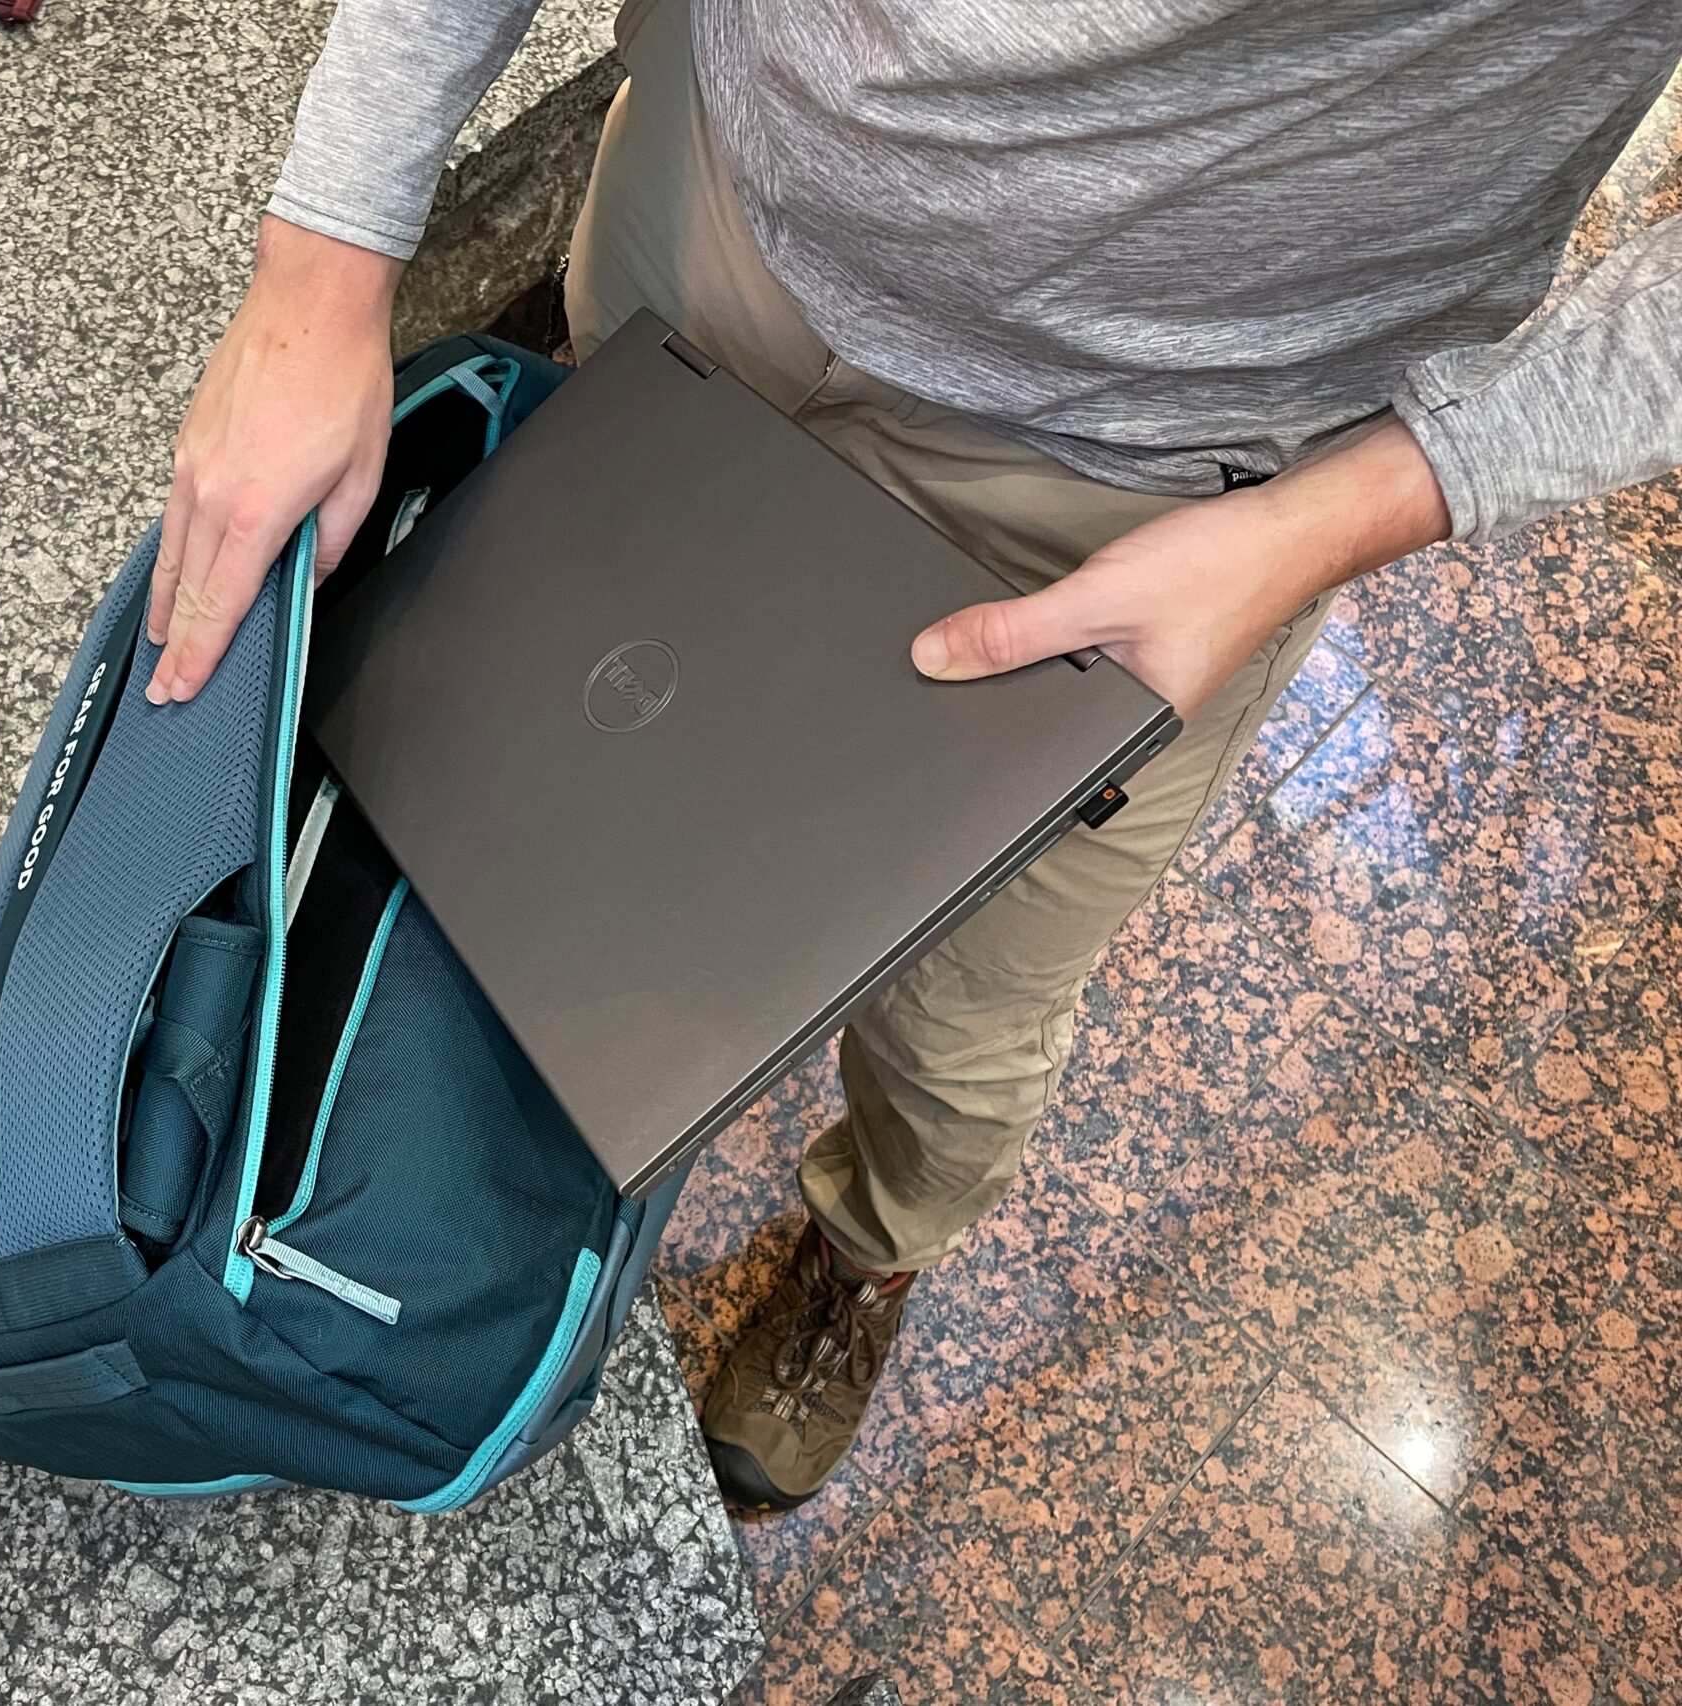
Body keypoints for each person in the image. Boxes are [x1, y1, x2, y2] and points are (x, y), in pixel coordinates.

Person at [146, 0, 1682, 1513]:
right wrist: (326, 248)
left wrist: (1365, 504)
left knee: (962, 1016)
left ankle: (866, 1252)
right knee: (554, 706)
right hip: (716, 196)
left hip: (1145, 488)